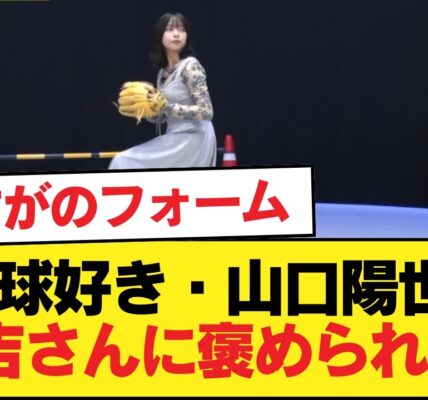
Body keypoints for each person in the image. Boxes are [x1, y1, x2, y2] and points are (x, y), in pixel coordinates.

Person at [109, 12, 217, 169]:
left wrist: (166, 106)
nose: (176, 34)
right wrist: (146, 110)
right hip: (175, 136)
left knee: (124, 161)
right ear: (160, 36)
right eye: (170, 29)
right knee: (123, 160)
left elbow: (207, 112)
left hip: (195, 137)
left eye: (181, 29)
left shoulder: (191, 66)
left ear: (187, 36)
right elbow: (162, 117)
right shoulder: (161, 74)